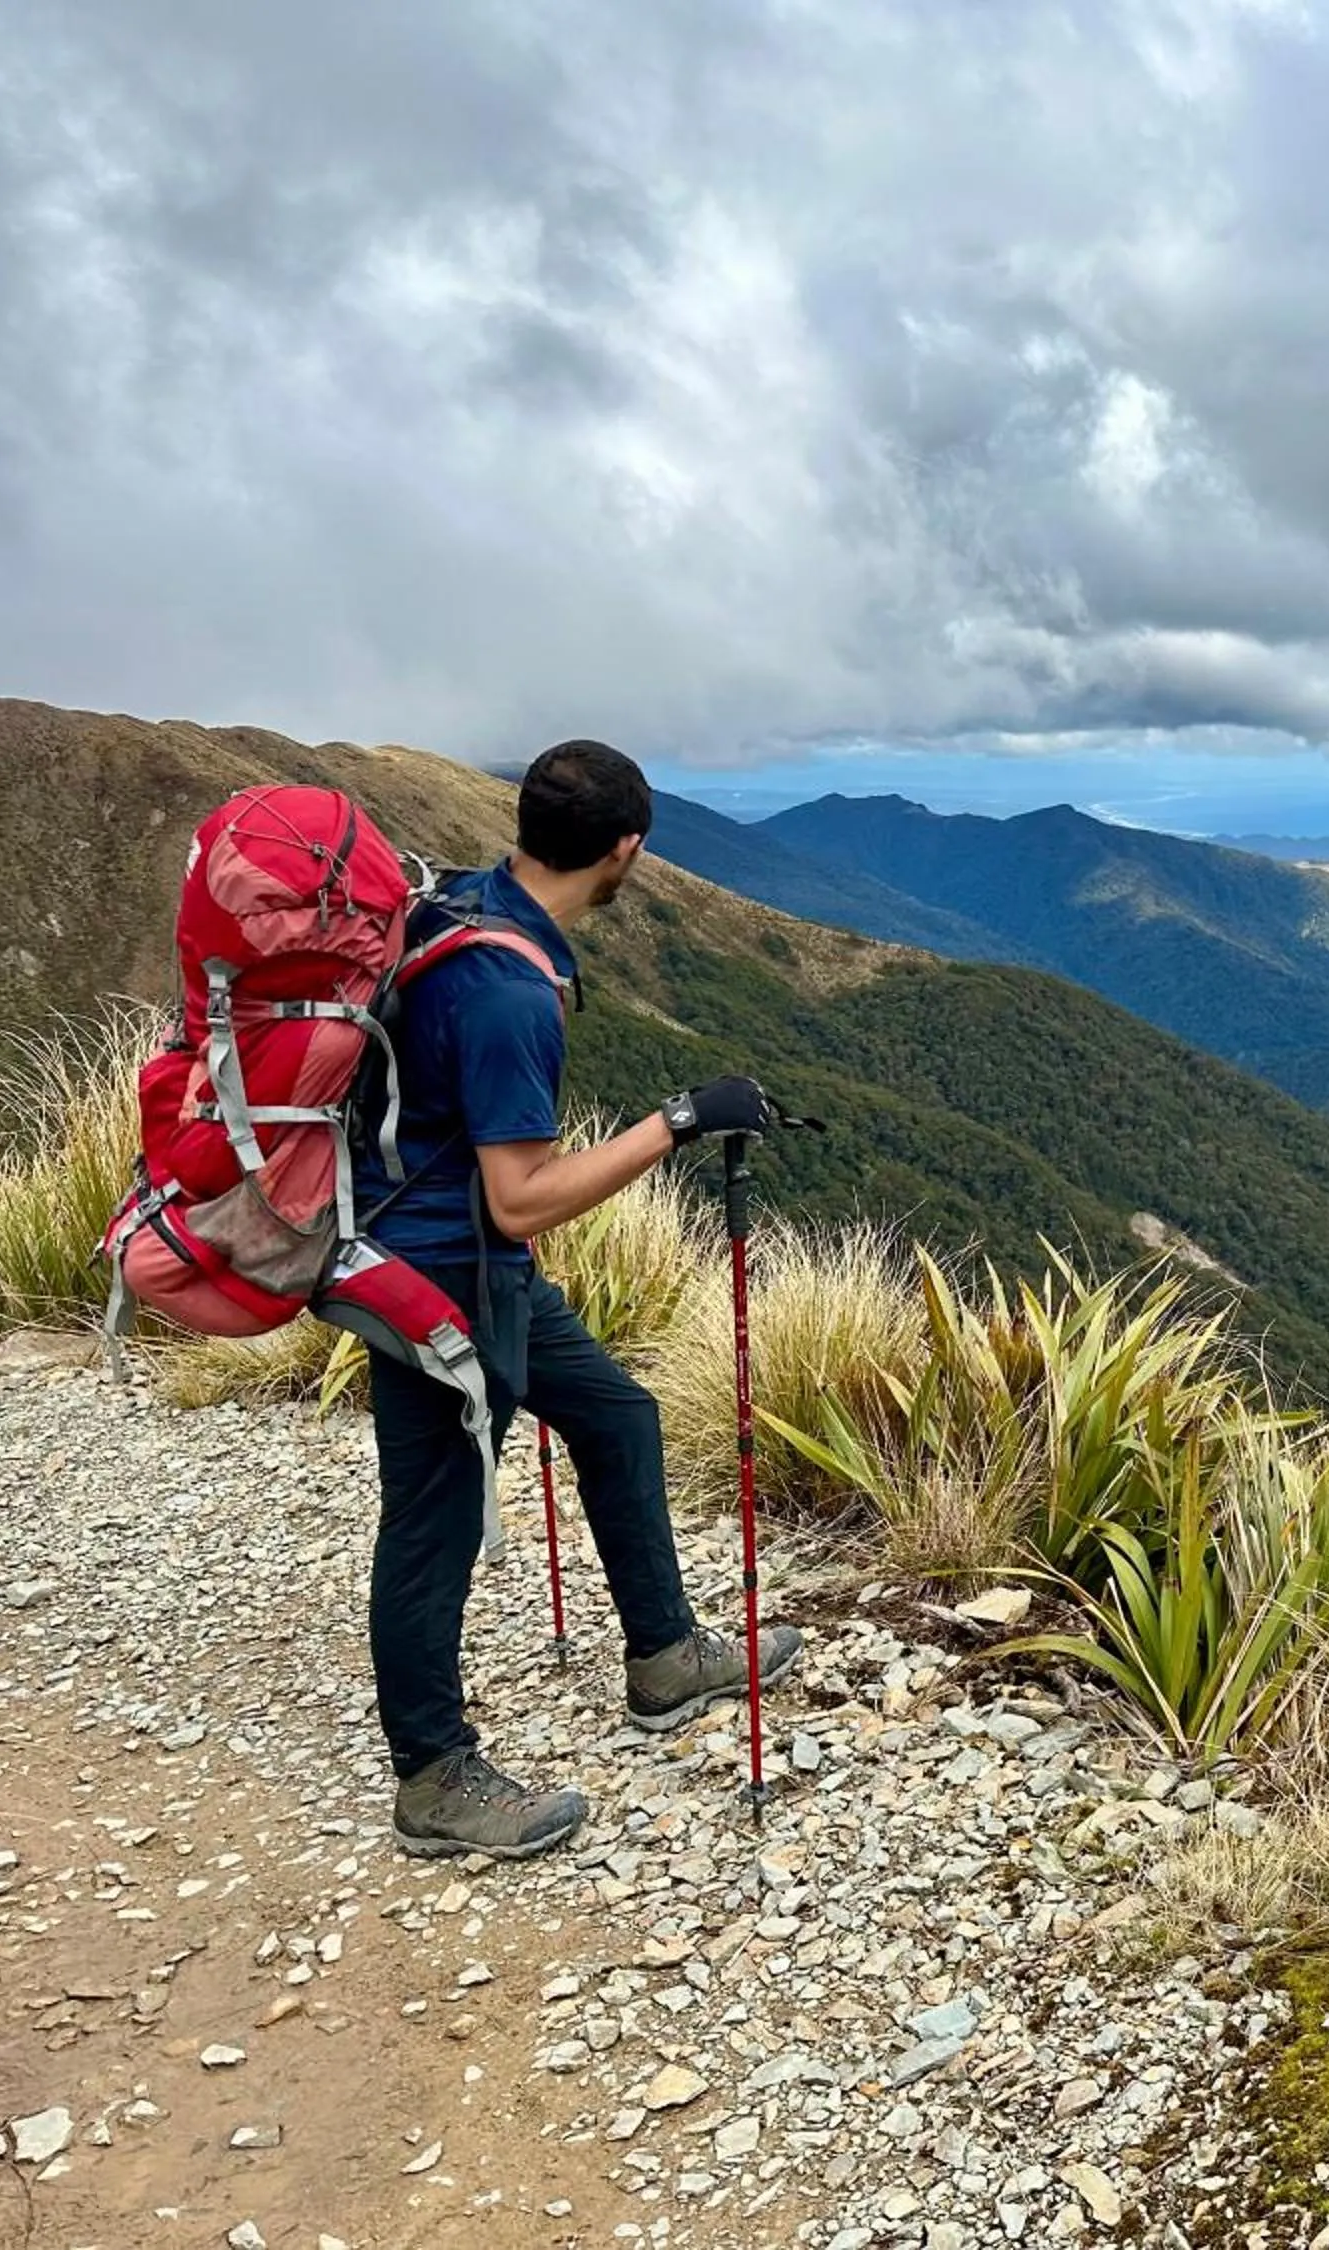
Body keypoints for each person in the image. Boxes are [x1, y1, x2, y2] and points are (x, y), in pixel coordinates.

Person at [363, 739, 801, 1858]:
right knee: (436, 1522)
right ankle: (433, 1776)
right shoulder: (511, 991)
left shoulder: (464, 903)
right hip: (440, 1282)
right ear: (626, 850)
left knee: (618, 1417)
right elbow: (521, 1200)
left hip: (469, 1262)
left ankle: (663, 1657)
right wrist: (681, 1122)